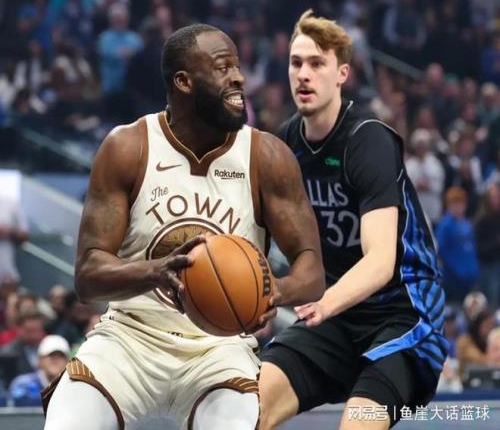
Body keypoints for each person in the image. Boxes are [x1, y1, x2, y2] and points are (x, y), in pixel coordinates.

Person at [42, 23, 324, 430]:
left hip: (220, 351)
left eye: (237, 67)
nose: (239, 78)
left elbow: (312, 271)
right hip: (130, 339)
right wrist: (154, 271)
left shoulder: (267, 157)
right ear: (184, 81)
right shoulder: (128, 147)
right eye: (223, 68)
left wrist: (273, 291)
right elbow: (88, 277)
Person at [259, 10, 448, 429]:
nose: (303, 74)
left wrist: (324, 303)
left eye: (317, 63)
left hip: (403, 314)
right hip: (334, 317)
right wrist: (256, 296)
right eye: (296, 63)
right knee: (246, 408)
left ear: (342, 73)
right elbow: (263, 239)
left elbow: (380, 261)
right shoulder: (284, 144)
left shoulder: (368, 139)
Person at [9, 335, 69, 407]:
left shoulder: (73, 386)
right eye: (51, 355)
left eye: (60, 356)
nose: (55, 359)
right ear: (40, 360)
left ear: (67, 361)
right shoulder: (23, 385)